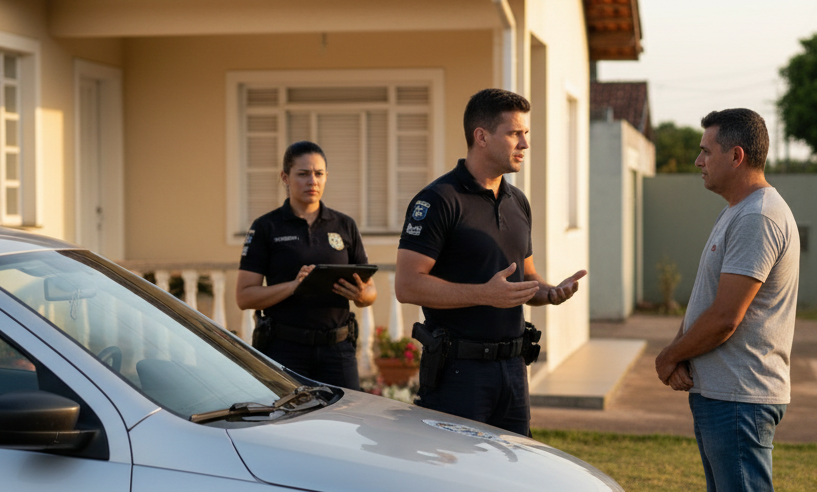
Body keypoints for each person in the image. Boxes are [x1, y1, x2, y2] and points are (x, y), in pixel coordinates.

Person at [653, 109, 799, 492]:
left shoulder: (758, 217)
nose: (698, 160)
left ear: (736, 155)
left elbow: (725, 318)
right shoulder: (738, 212)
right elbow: (706, 303)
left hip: (741, 397)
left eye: (705, 150)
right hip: (721, 394)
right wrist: (679, 353)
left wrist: (669, 355)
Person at [395, 88, 586, 437]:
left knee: (514, 476)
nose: (525, 144)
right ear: (481, 136)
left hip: (513, 369)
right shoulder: (438, 200)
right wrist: (485, 294)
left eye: (526, 133)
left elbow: (524, 276)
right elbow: (407, 285)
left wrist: (549, 291)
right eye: (515, 133)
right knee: (459, 482)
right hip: (458, 374)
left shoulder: (518, 202)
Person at [237, 141, 375, 390]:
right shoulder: (266, 227)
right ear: (285, 177)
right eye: (302, 174)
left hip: (338, 350)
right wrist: (295, 286)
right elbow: (245, 297)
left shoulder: (344, 225)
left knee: (346, 423)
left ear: (326, 177)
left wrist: (362, 295)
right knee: (287, 425)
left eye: (318, 173)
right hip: (284, 350)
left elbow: (370, 291)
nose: (312, 181)